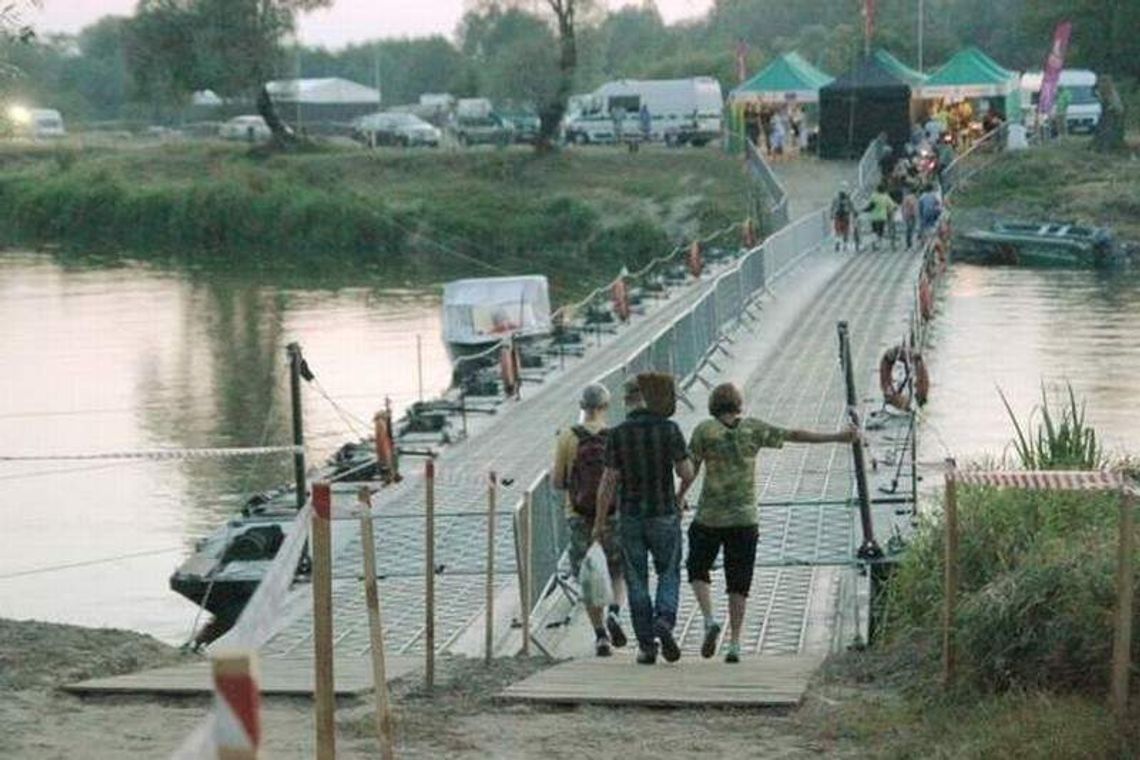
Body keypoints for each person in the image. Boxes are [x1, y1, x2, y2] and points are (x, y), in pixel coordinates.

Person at [678, 383, 855, 663]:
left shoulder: (704, 431)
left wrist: (679, 497)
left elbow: (691, 470)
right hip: (745, 519)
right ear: (738, 404)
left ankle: (710, 618)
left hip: (710, 517)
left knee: (696, 568)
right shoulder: (753, 429)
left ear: (714, 405)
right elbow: (794, 434)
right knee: (739, 582)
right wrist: (837, 436)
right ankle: (735, 644)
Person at [595, 374, 694, 665]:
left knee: (636, 578)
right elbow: (686, 473)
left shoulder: (617, 434)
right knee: (669, 571)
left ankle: (647, 646)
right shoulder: (670, 429)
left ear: (627, 401)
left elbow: (608, 482)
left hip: (631, 516)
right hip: (663, 512)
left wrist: (599, 523)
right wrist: (679, 496)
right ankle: (665, 619)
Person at [552, 383, 628, 657]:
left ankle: (600, 636)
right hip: (613, 513)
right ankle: (616, 612)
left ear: (581, 406)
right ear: (606, 406)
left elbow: (557, 481)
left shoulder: (567, 437)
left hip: (579, 515)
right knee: (618, 569)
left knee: (587, 574)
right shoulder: (616, 436)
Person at [863, 182, 898, 251]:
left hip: (873, 216)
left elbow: (870, 206)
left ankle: (874, 244)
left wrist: (864, 210)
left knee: (874, 230)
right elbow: (893, 205)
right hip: (882, 217)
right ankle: (879, 244)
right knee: (880, 231)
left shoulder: (873, 196)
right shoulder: (886, 197)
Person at [831, 183, 856, 252]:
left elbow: (832, 207)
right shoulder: (848, 198)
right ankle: (845, 245)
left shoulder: (836, 198)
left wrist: (831, 215)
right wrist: (854, 213)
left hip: (837, 216)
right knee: (845, 231)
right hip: (846, 216)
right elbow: (851, 207)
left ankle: (837, 242)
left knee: (838, 230)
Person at [901, 185, 919, 250]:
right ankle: (909, 244)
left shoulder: (906, 197)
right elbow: (912, 206)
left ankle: (909, 244)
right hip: (911, 215)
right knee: (911, 229)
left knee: (909, 229)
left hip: (907, 215)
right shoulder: (913, 198)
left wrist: (903, 214)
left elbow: (902, 206)